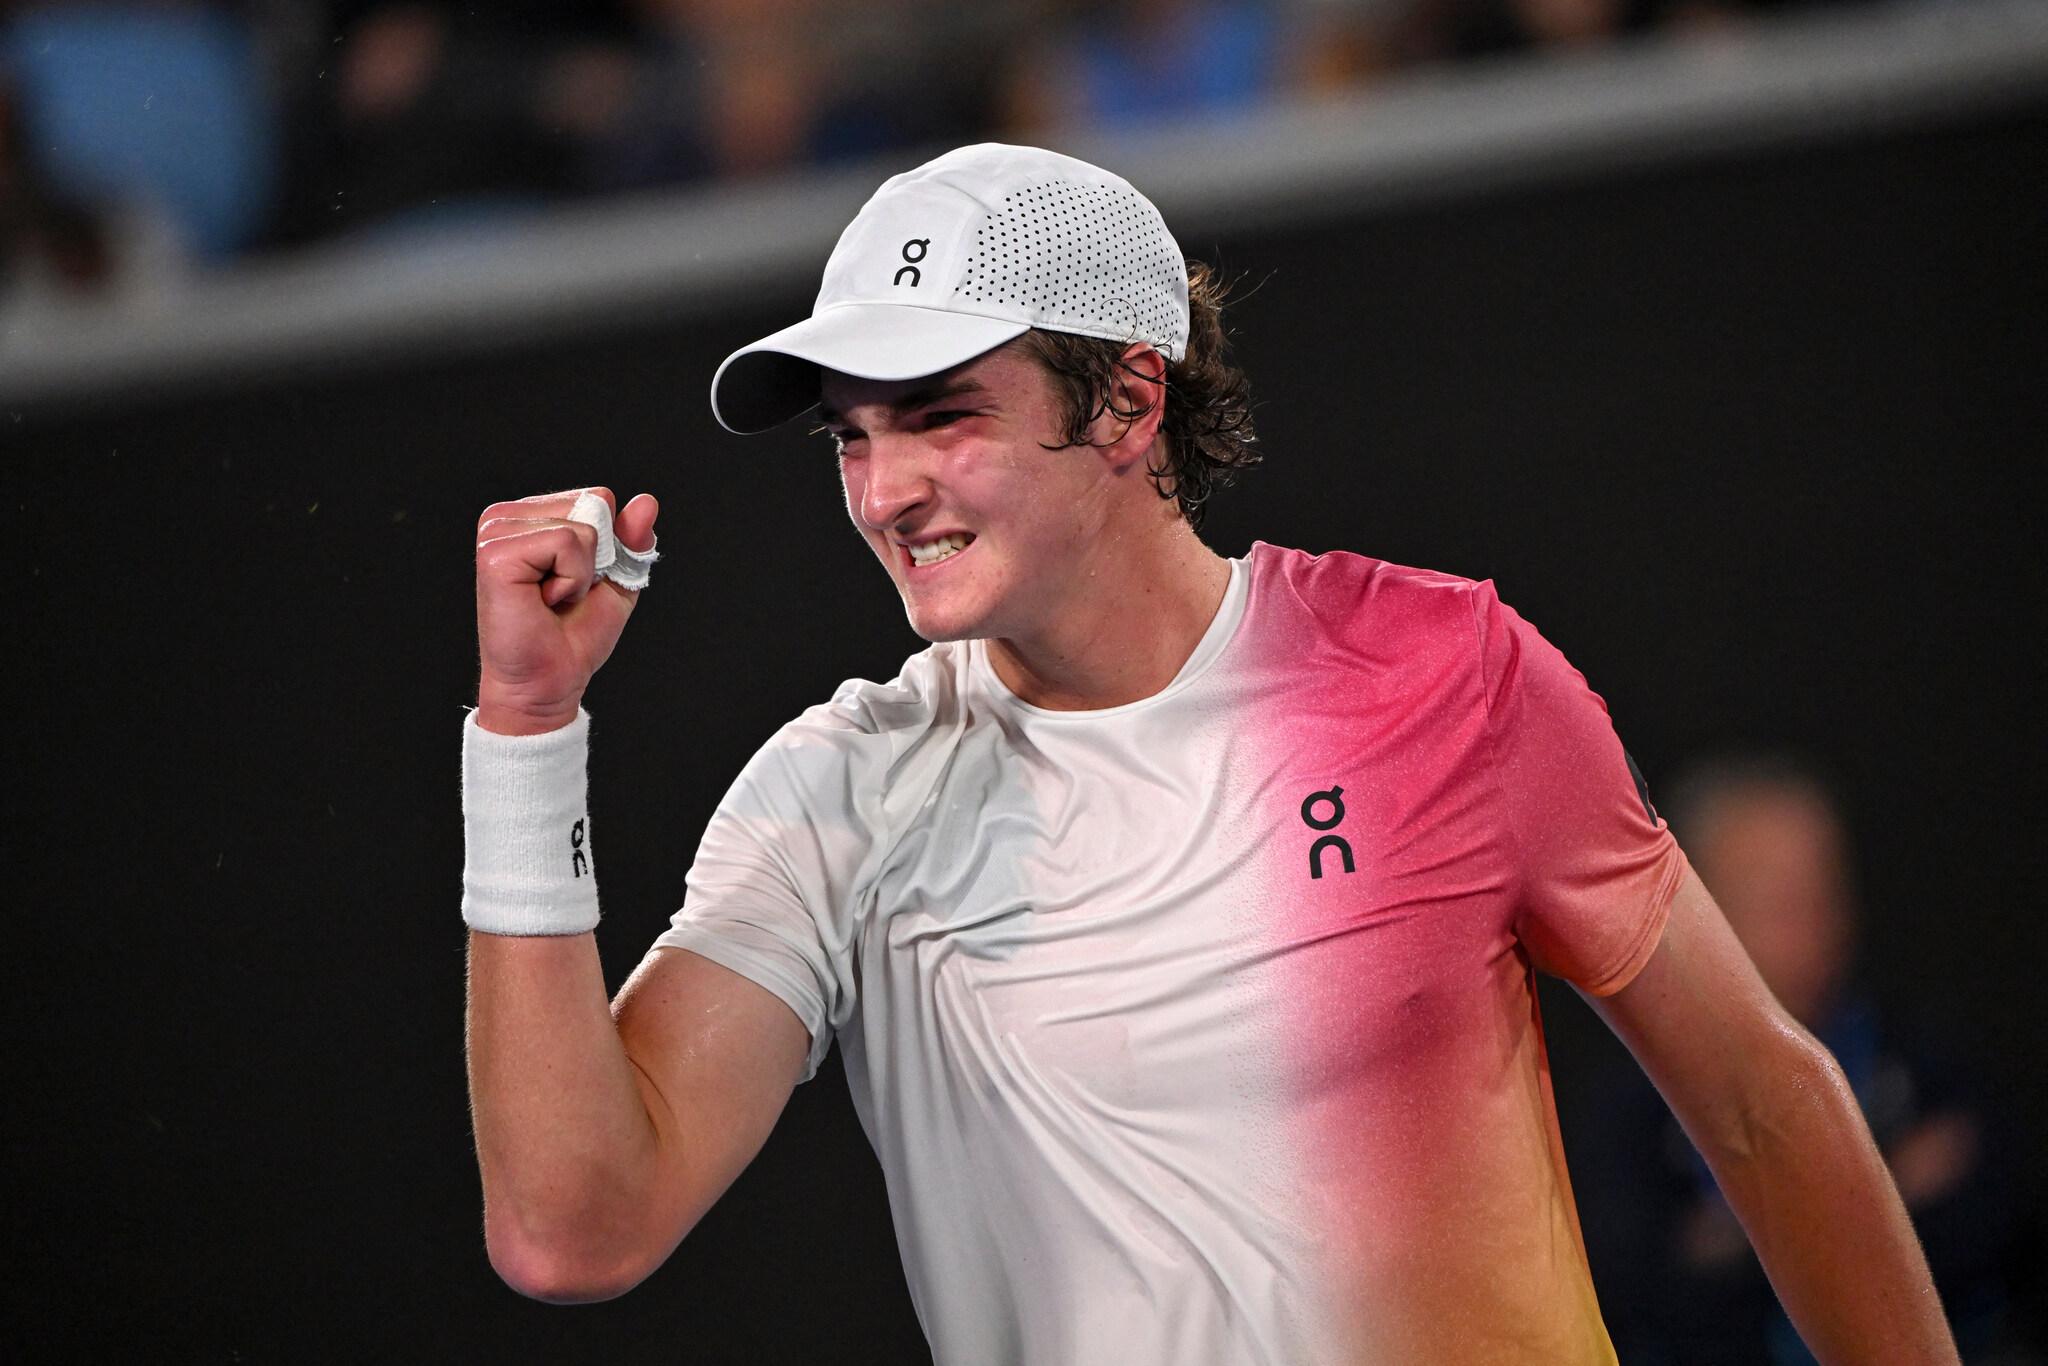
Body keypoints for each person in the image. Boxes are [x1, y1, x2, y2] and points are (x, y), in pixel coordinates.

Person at [462, 143, 1959, 1364]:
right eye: (853, 435)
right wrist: (527, 737)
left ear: (1128, 397)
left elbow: (1764, 1104)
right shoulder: (840, 793)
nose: (884, 488)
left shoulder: (1450, 670)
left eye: (940, 416)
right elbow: (572, 1229)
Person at [1572, 755, 2028, 1364]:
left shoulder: (1917, 1063)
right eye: (1776, 898)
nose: (1813, 920)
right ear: (1696, 905)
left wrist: (1747, 1235)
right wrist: (1878, 1198)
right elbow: (1644, 1290)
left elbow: (1992, 1229)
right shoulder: (1631, 1109)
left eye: (1823, 889)